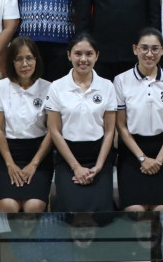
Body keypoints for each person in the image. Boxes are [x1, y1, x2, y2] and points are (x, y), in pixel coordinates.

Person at [45, 33, 117, 212]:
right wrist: (76, 167)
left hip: (99, 156)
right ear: (69, 55)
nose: (83, 59)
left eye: (89, 54)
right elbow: (54, 130)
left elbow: (109, 131)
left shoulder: (107, 86)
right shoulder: (56, 87)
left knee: (101, 215)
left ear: (97, 56)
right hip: (68, 157)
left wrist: (98, 166)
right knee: (71, 213)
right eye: (78, 53)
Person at [114, 27, 163, 211]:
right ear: (135, 49)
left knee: (162, 211)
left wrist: (158, 160)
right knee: (135, 211)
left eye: (155, 49)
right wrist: (142, 158)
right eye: (144, 48)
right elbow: (121, 126)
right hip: (133, 152)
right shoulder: (121, 80)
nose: (149, 54)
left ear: (162, 50)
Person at [0, 37, 53, 213]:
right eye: (19, 59)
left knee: (33, 207)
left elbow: (52, 131)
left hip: (38, 153)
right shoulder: (0, 87)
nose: (24, 64)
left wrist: (34, 164)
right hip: (9, 152)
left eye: (29, 58)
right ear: (11, 62)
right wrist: (10, 164)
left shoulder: (49, 87)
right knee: (8, 206)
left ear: (36, 60)